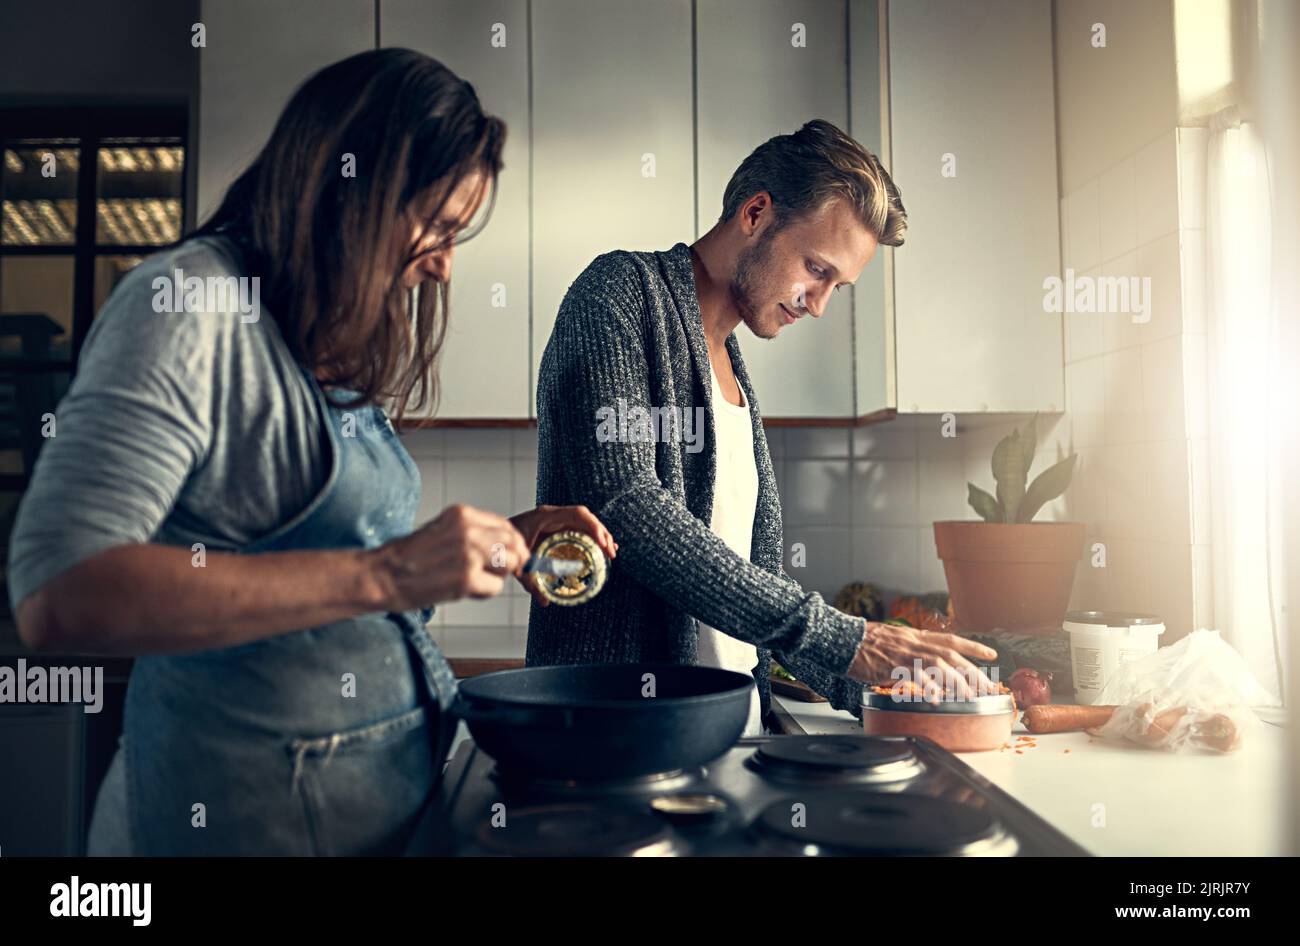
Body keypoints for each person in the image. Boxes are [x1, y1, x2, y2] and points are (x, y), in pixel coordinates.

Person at [8, 48, 614, 856]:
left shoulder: (318, 331)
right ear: (349, 190)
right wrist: (392, 570)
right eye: (434, 225)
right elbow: (59, 593)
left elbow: (331, 581)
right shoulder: (190, 307)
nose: (443, 263)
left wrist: (484, 548)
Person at [527, 120, 997, 735]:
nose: (819, 303)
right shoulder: (618, 298)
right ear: (755, 214)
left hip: (733, 738)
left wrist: (887, 689)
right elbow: (628, 507)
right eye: (815, 268)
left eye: (838, 286)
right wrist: (847, 636)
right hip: (620, 741)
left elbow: (754, 586)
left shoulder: (735, 373)